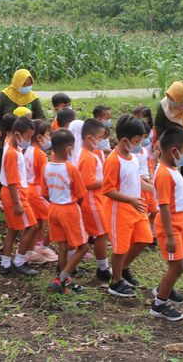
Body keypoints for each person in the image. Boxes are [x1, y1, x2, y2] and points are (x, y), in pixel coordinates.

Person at [102, 115, 153, 298]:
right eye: (137, 141)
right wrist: (130, 200)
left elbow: (136, 180)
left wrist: (153, 189)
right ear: (125, 140)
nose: (140, 144)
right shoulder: (113, 160)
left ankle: (123, 269)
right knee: (120, 248)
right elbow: (107, 190)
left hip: (136, 206)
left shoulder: (132, 157)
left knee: (144, 239)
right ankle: (115, 282)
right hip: (119, 210)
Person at [151, 127, 183, 322]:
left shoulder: (172, 169)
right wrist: (169, 235)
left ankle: (164, 288)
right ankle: (159, 304)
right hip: (170, 225)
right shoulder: (163, 174)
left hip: (180, 223)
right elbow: (164, 206)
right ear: (174, 151)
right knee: (176, 266)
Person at [44, 129, 89, 294]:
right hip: (69, 210)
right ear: (69, 149)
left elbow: (44, 193)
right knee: (83, 248)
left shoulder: (46, 166)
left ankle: (64, 284)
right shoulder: (70, 168)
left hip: (53, 209)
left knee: (63, 247)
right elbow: (81, 194)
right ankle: (61, 278)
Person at [0, 116, 40, 277]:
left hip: (14, 193)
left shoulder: (12, 145)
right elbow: (12, 180)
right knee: (32, 226)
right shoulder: (12, 153)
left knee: (13, 230)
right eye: (28, 137)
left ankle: (5, 263)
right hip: (14, 194)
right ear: (17, 135)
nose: (29, 141)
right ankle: (19, 261)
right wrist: (17, 202)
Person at [77, 119, 112, 282]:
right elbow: (89, 182)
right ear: (90, 138)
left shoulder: (92, 154)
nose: (103, 140)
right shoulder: (88, 157)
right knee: (101, 234)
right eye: (100, 137)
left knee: (97, 233)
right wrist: (109, 181)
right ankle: (103, 268)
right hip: (91, 201)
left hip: (97, 200)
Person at [24, 120, 56, 265]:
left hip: (29, 189)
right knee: (49, 218)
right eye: (48, 135)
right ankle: (41, 247)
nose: (50, 138)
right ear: (39, 137)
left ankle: (31, 250)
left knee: (37, 221)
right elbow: (45, 176)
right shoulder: (40, 154)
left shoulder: (28, 150)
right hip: (37, 191)